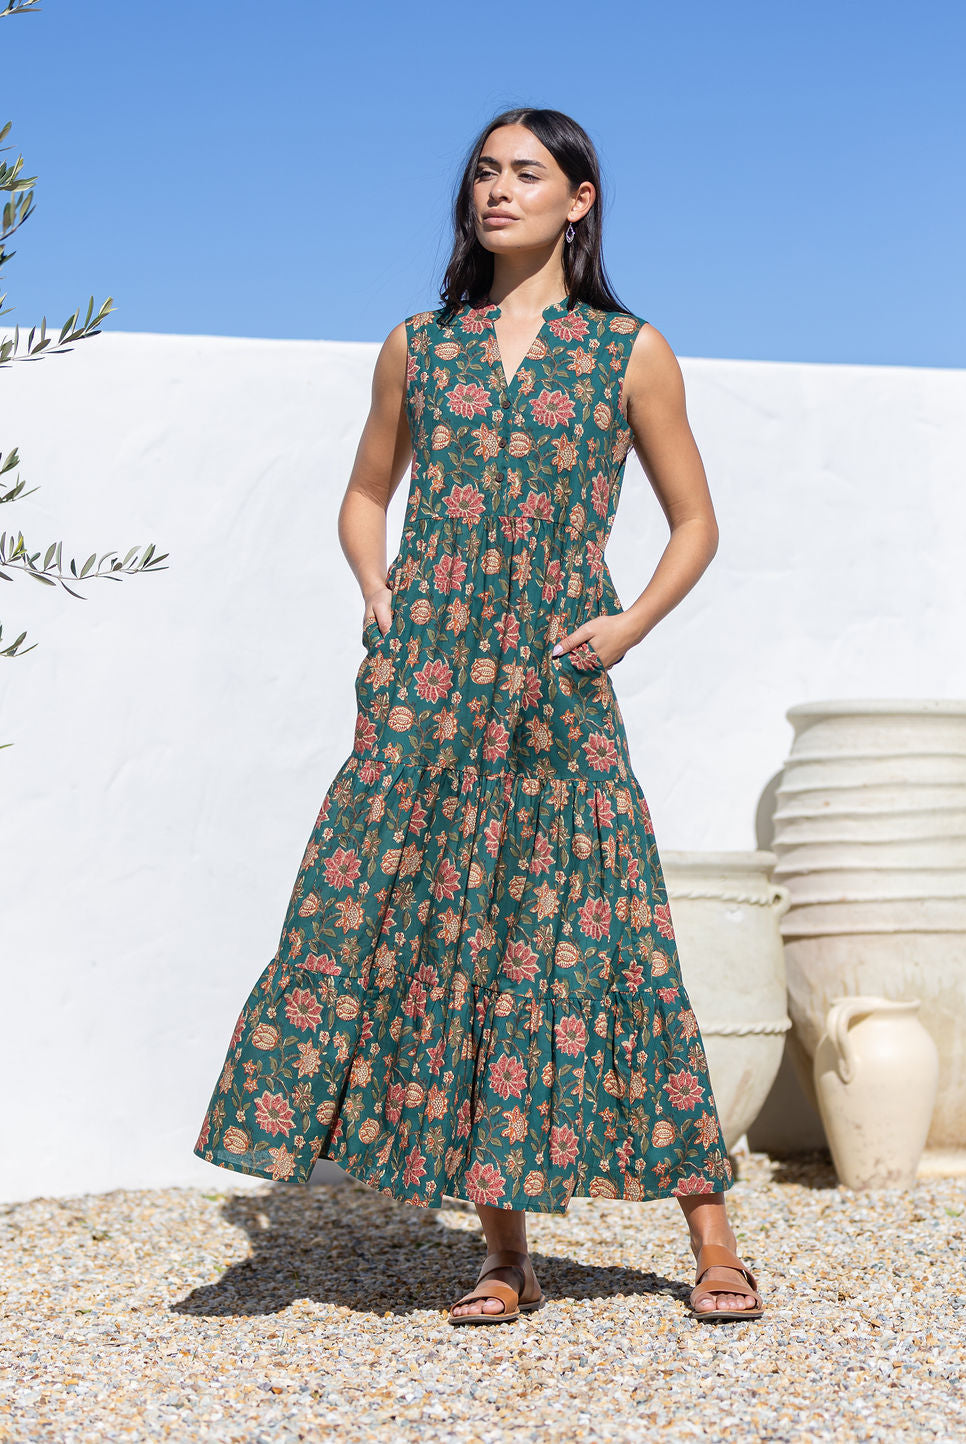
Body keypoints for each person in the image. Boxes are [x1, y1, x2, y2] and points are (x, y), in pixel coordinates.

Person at [194, 105, 763, 1326]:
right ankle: (504, 1254)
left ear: (580, 199)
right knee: (452, 938)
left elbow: (695, 522)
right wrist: (376, 590)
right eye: (484, 174)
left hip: (555, 679)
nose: (497, 191)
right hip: (429, 684)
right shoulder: (419, 346)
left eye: (526, 174)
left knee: (615, 937)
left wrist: (626, 625)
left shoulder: (628, 353)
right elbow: (365, 492)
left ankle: (712, 1237)